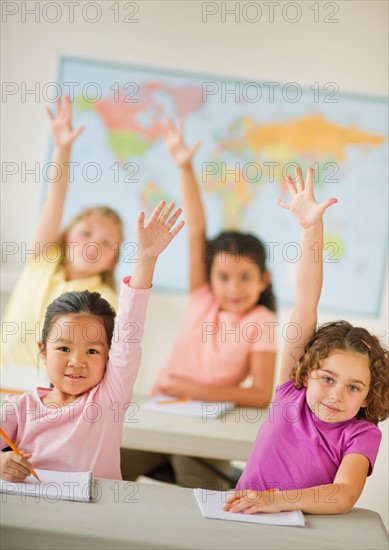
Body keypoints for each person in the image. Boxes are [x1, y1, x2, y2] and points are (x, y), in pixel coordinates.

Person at [121, 119, 277, 489]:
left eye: (245, 277)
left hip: (210, 425)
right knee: (110, 466)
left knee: (197, 490)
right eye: (224, 276)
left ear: (263, 281)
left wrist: (195, 390)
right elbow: (196, 233)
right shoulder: (202, 297)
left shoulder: (262, 320)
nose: (233, 287)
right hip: (160, 412)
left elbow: (259, 395)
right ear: (211, 277)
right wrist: (184, 166)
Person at [224, 167, 389, 515]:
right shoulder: (290, 393)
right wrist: (311, 229)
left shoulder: (362, 435)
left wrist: (275, 500)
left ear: (369, 394)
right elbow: (304, 304)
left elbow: (343, 494)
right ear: (307, 372)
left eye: (354, 387)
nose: (336, 395)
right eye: (328, 379)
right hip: (239, 520)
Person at [0, 201, 184, 481]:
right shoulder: (17, 408)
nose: (77, 361)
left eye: (92, 351)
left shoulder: (108, 400)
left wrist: (146, 259)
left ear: (110, 356)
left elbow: (128, 334)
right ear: (43, 352)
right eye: (63, 348)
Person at [2, 97, 123, 374]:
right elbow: (53, 205)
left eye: (106, 243)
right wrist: (62, 148)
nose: (93, 244)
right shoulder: (44, 259)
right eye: (86, 233)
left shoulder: (103, 299)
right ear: (67, 235)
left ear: (112, 261)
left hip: (53, 391)